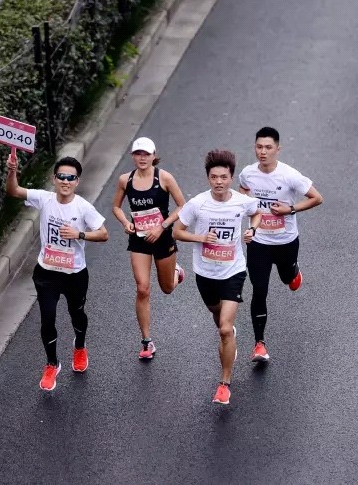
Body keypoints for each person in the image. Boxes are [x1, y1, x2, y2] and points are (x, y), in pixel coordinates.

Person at [7, 152, 108, 391]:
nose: (65, 181)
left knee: (77, 314)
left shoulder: (83, 208)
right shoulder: (44, 199)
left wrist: (79, 234)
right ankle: (52, 363)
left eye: (70, 178)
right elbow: (14, 191)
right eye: (61, 176)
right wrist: (12, 171)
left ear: (77, 182)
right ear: (54, 179)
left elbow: (103, 234)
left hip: (75, 274)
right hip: (47, 273)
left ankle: (80, 346)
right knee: (48, 318)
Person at [173, 149, 261, 405]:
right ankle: (227, 332)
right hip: (205, 273)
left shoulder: (241, 202)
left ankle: (224, 383)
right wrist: (201, 238)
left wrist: (251, 230)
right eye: (214, 177)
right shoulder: (197, 204)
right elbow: (178, 232)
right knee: (217, 316)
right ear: (208, 178)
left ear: (231, 178)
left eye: (223, 177)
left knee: (224, 329)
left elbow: (256, 213)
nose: (219, 182)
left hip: (233, 271)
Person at [238, 126, 323, 363]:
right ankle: (259, 344)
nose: (262, 152)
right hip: (259, 241)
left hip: (286, 240)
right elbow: (243, 189)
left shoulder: (289, 176)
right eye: (259, 147)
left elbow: (317, 198)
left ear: (278, 149)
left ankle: (293, 271)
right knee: (260, 288)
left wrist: (290, 209)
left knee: (287, 279)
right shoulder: (248, 173)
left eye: (268, 147)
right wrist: (247, 207)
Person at [111, 137, 187, 360]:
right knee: (142, 288)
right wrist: (126, 223)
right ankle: (146, 341)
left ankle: (176, 274)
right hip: (139, 239)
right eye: (138, 154)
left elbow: (183, 205)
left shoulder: (164, 178)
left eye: (146, 154)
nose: (142, 158)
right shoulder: (125, 180)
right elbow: (116, 206)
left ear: (154, 155)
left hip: (162, 238)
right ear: (133, 156)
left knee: (167, 288)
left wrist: (162, 226)